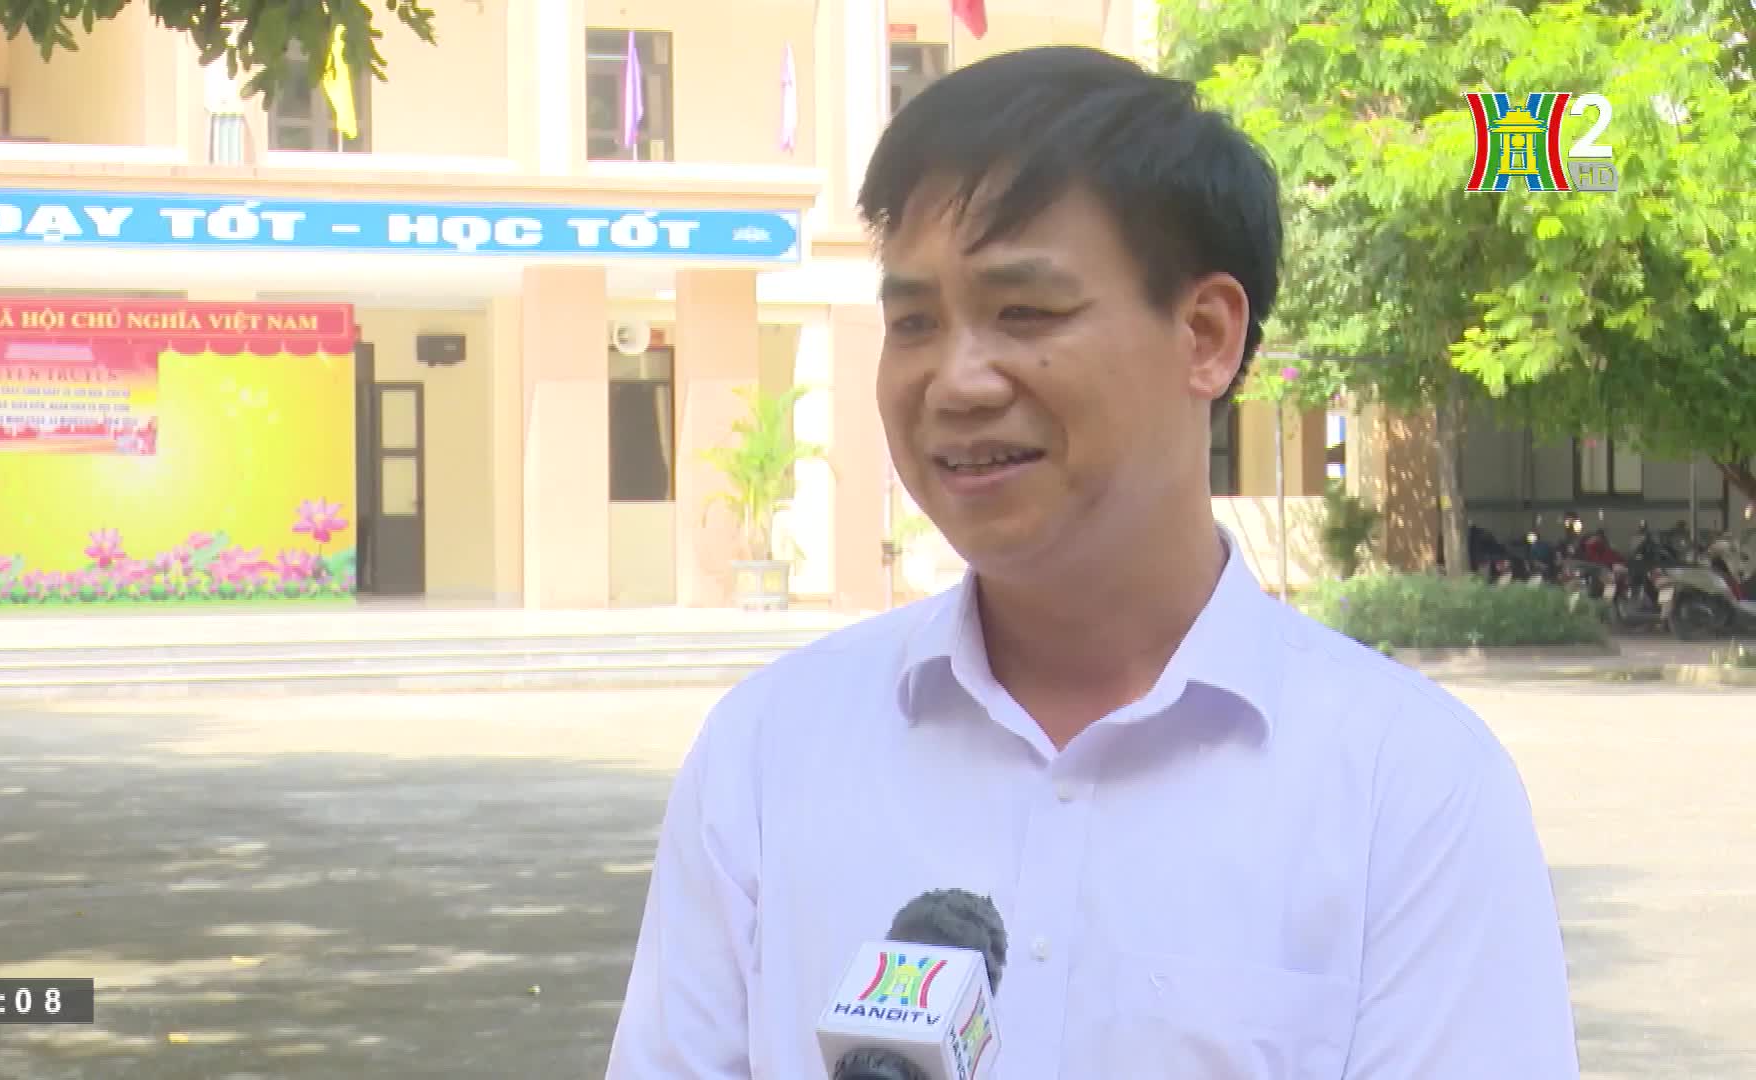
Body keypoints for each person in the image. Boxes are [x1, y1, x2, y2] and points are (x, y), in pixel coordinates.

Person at [605, 45, 1578, 1079]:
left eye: (1024, 313)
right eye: (914, 323)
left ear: (1204, 334)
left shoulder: (1409, 789)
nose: (958, 381)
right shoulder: (769, 753)